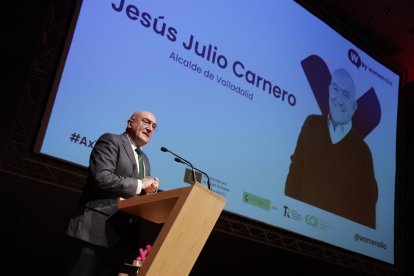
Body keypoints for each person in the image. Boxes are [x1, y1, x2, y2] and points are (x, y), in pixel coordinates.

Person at [65, 110, 160, 276]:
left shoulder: (144, 159)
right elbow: (101, 177)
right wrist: (140, 184)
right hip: (94, 231)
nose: (150, 128)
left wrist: (148, 192)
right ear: (130, 123)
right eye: (145, 122)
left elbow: (135, 193)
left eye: (154, 126)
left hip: (121, 239)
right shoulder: (111, 140)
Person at [284, 68, 378, 229]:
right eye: (335, 89)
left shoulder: (363, 152)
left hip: (338, 245)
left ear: (354, 107)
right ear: (328, 90)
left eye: (346, 95)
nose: (339, 100)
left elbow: (367, 208)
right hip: (298, 228)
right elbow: (294, 174)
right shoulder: (311, 125)